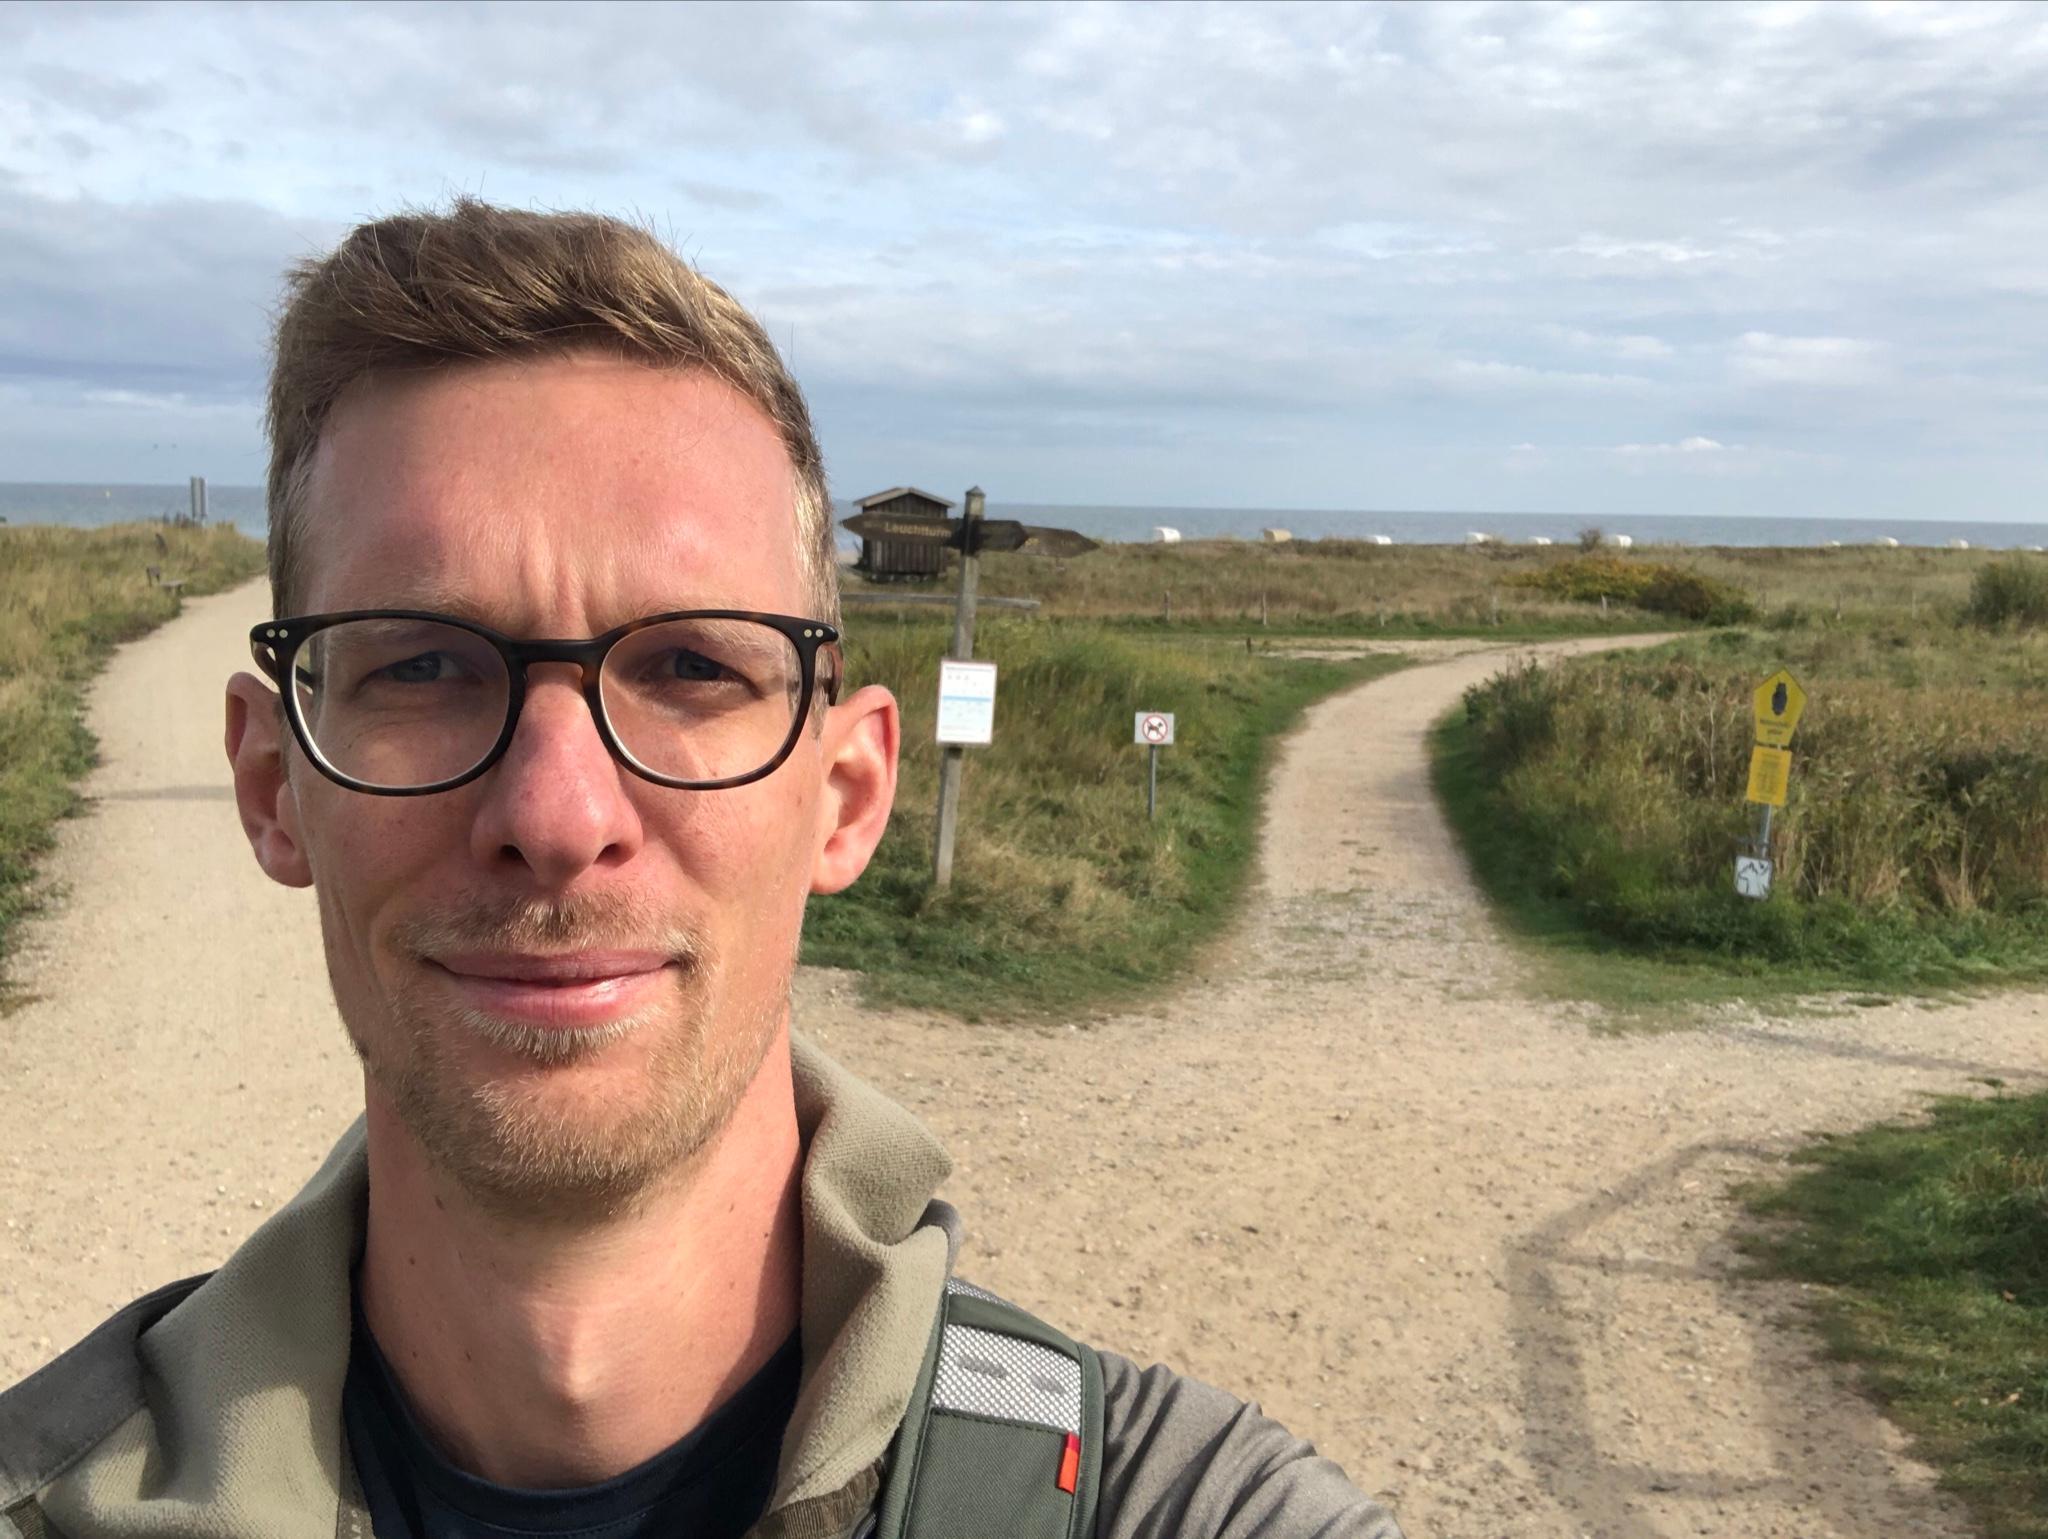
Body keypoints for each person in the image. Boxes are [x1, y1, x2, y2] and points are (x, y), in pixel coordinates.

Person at [0, 200, 1403, 1539]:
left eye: (689, 666)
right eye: (422, 665)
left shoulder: (1175, 1507)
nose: (557, 814)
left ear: (847, 796)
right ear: (274, 785)